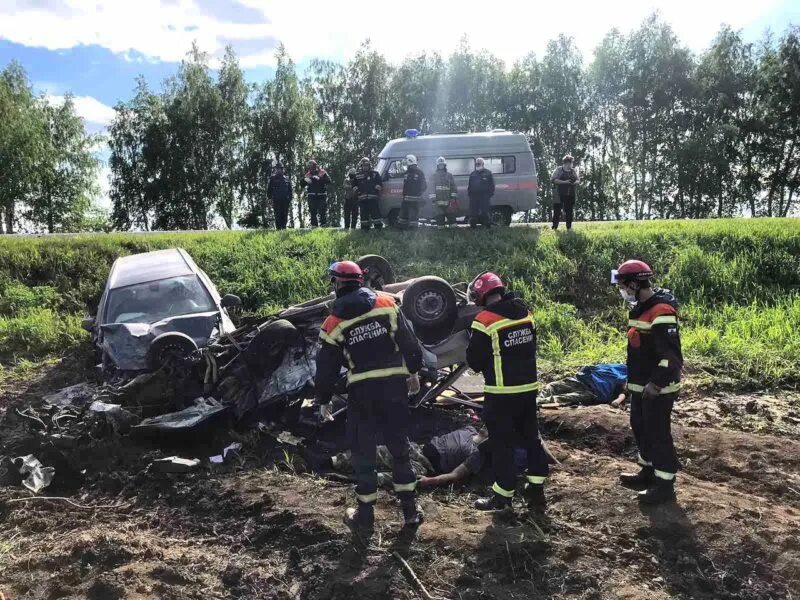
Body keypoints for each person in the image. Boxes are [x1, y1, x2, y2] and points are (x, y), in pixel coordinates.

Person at [315, 261, 424, 537]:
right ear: (361, 280)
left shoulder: (332, 322)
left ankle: (364, 518)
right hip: (394, 388)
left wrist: (323, 400)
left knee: (363, 452)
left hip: (362, 392)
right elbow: (409, 342)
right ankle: (410, 511)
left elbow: (326, 368)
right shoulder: (387, 303)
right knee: (399, 447)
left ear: (338, 283)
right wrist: (413, 372)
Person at [466, 272, 549, 512]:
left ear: (481, 295)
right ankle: (536, 490)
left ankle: (503, 496)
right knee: (531, 438)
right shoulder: (525, 313)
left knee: (502, 444)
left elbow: (474, 362)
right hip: (528, 389)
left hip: (501, 392)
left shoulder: (484, 320)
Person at [612, 260, 683, 505]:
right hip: (640, 386)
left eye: (623, 286)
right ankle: (648, 472)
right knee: (640, 427)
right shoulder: (640, 309)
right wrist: (631, 383)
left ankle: (664, 485)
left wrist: (656, 384)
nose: (622, 291)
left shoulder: (661, 311)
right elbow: (639, 352)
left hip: (658, 388)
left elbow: (671, 357)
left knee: (657, 433)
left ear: (634, 284)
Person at [352, 158, 384, 231]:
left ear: (369, 165)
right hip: (362, 200)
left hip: (373, 199)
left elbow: (380, 184)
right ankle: (364, 231)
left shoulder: (375, 174)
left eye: (367, 165)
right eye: (364, 165)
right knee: (364, 217)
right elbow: (354, 186)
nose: (365, 167)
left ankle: (378, 230)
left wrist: (375, 190)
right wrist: (358, 192)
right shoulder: (357, 175)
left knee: (376, 216)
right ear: (361, 166)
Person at [397, 154, 427, 229]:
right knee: (404, 216)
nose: (405, 163)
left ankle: (412, 231)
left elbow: (424, 186)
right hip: (406, 199)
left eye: (406, 161)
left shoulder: (419, 173)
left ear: (409, 161)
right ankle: (403, 229)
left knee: (413, 216)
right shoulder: (407, 173)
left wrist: (417, 192)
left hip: (415, 200)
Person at [551, 155, 579, 231]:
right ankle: (554, 227)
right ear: (566, 163)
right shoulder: (559, 170)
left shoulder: (573, 171)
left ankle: (569, 227)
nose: (571, 165)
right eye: (570, 163)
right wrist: (565, 182)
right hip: (558, 193)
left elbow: (578, 180)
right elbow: (553, 180)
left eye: (571, 163)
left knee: (569, 211)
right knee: (557, 211)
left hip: (570, 194)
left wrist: (574, 182)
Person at [300, 159, 332, 227]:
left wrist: (320, 178)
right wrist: (304, 180)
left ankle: (323, 225)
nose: (311, 168)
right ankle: (314, 225)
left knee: (322, 211)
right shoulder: (308, 174)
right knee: (313, 211)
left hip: (321, 195)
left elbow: (329, 181)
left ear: (316, 165)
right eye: (310, 166)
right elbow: (302, 184)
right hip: (312, 195)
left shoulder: (322, 172)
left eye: (312, 166)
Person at [430, 156, 458, 229]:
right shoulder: (434, 176)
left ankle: (453, 232)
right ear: (437, 166)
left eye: (442, 165)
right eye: (440, 165)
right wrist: (433, 200)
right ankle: (441, 233)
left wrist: (453, 197)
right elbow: (431, 188)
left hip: (449, 201)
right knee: (439, 218)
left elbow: (453, 187)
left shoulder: (449, 175)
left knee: (451, 217)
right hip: (438, 201)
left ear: (445, 165)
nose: (441, 166)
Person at [467, 157, 495, 228]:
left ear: (483, 164)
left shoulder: (488, 173)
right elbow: (469, 185)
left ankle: (487, 228)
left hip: (484, 196)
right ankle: (473, 228)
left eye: (479, 164)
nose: (477, 165)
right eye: (476, 164)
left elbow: (492, 186)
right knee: (473, 213)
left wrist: (488, 196)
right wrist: (470, 194)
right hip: (474, 197)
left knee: (485, 212)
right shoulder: (473, 174)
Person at [266, 162, 292, 230]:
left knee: (285, 214)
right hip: (276, 200)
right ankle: (278, 229)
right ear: (275, 169)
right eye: (278, 168)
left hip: (285, 200)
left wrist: (290, 198)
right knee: (277, 215)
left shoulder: (287, 178)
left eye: (281, 168)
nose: (279, 170)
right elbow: (269, 189)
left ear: (283, 169)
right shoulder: (272, 178)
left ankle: (283, 228)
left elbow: (290, 190)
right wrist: (269, 198)